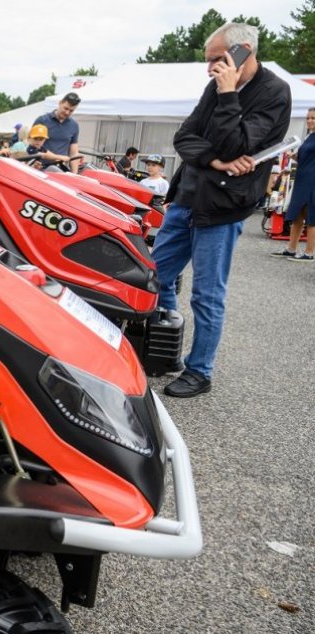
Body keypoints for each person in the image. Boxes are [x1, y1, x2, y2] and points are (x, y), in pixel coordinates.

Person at [153, 22, 291, 398]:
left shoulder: (274, 92)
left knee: (207, 293)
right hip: (187, 197)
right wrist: (215, 161)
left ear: (243, 50)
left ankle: (201, 371)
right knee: (155, 276)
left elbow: (238, 144)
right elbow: (185, 137)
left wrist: (228, 94)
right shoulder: (212, 86)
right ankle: (167, 350)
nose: (210, 67)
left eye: (216, 59)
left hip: (224, 206)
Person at [271, 107, 315, 262]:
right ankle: (291, 249)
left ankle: (309, 253)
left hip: (312, 182)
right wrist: (294, 156)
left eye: (313, 118)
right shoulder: (310, 137)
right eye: (308, 118)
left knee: (312, 217)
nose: (310, 120)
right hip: (302, 180)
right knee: (297, 215)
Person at [33, 92, 81, 172]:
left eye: (71, 111)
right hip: (41, 170)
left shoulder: (74, 125)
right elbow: (33, 148)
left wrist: (74, 174)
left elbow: (74, 153)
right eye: (66, 108)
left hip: (61, 170)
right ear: (60, 103)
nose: (67, 112)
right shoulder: (42, 121)